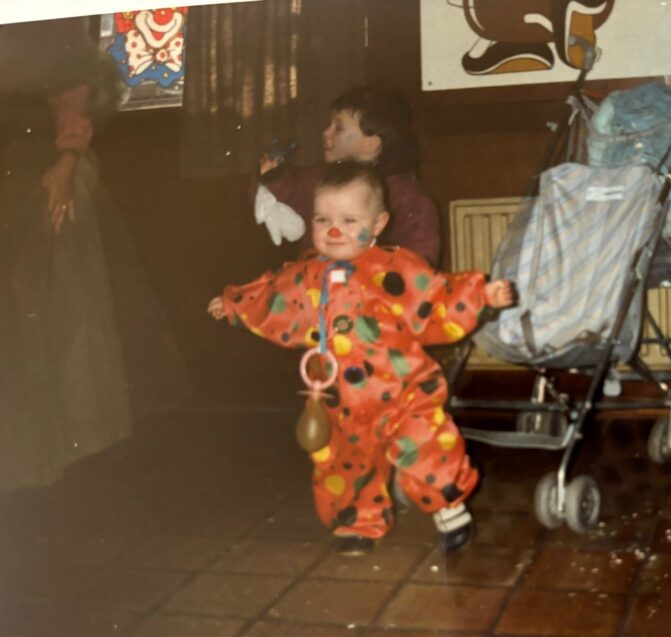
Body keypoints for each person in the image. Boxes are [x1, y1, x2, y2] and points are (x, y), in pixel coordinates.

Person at [209, 162, 513, 554]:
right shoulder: (306, 275)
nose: (334, 231)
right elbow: (274, 299)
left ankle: (448, 507)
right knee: (344, 463)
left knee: (427, 448)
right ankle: (357, 522)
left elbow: (436, 296)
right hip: (342, 402)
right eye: (323, 220)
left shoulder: (395, 269)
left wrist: (481, 296)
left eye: (350, 221)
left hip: (405, 392)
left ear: (379, 223)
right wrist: (236, 304)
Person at [0, 19, 188, 490]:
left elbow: (78, 114)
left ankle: (76, 441)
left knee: (68, 318)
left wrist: (67, 161)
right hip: (22, 190)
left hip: (46, 196)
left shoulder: (48, 42)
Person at [254, 88, 441, 266]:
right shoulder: (322, 179)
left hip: (374, 283)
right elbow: (287, 195)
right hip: (318, 278)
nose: (326, 133)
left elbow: (421, 257)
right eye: (329, 125)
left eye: (338, 128)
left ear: (370, 144)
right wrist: (273, 177)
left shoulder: (407, 197)